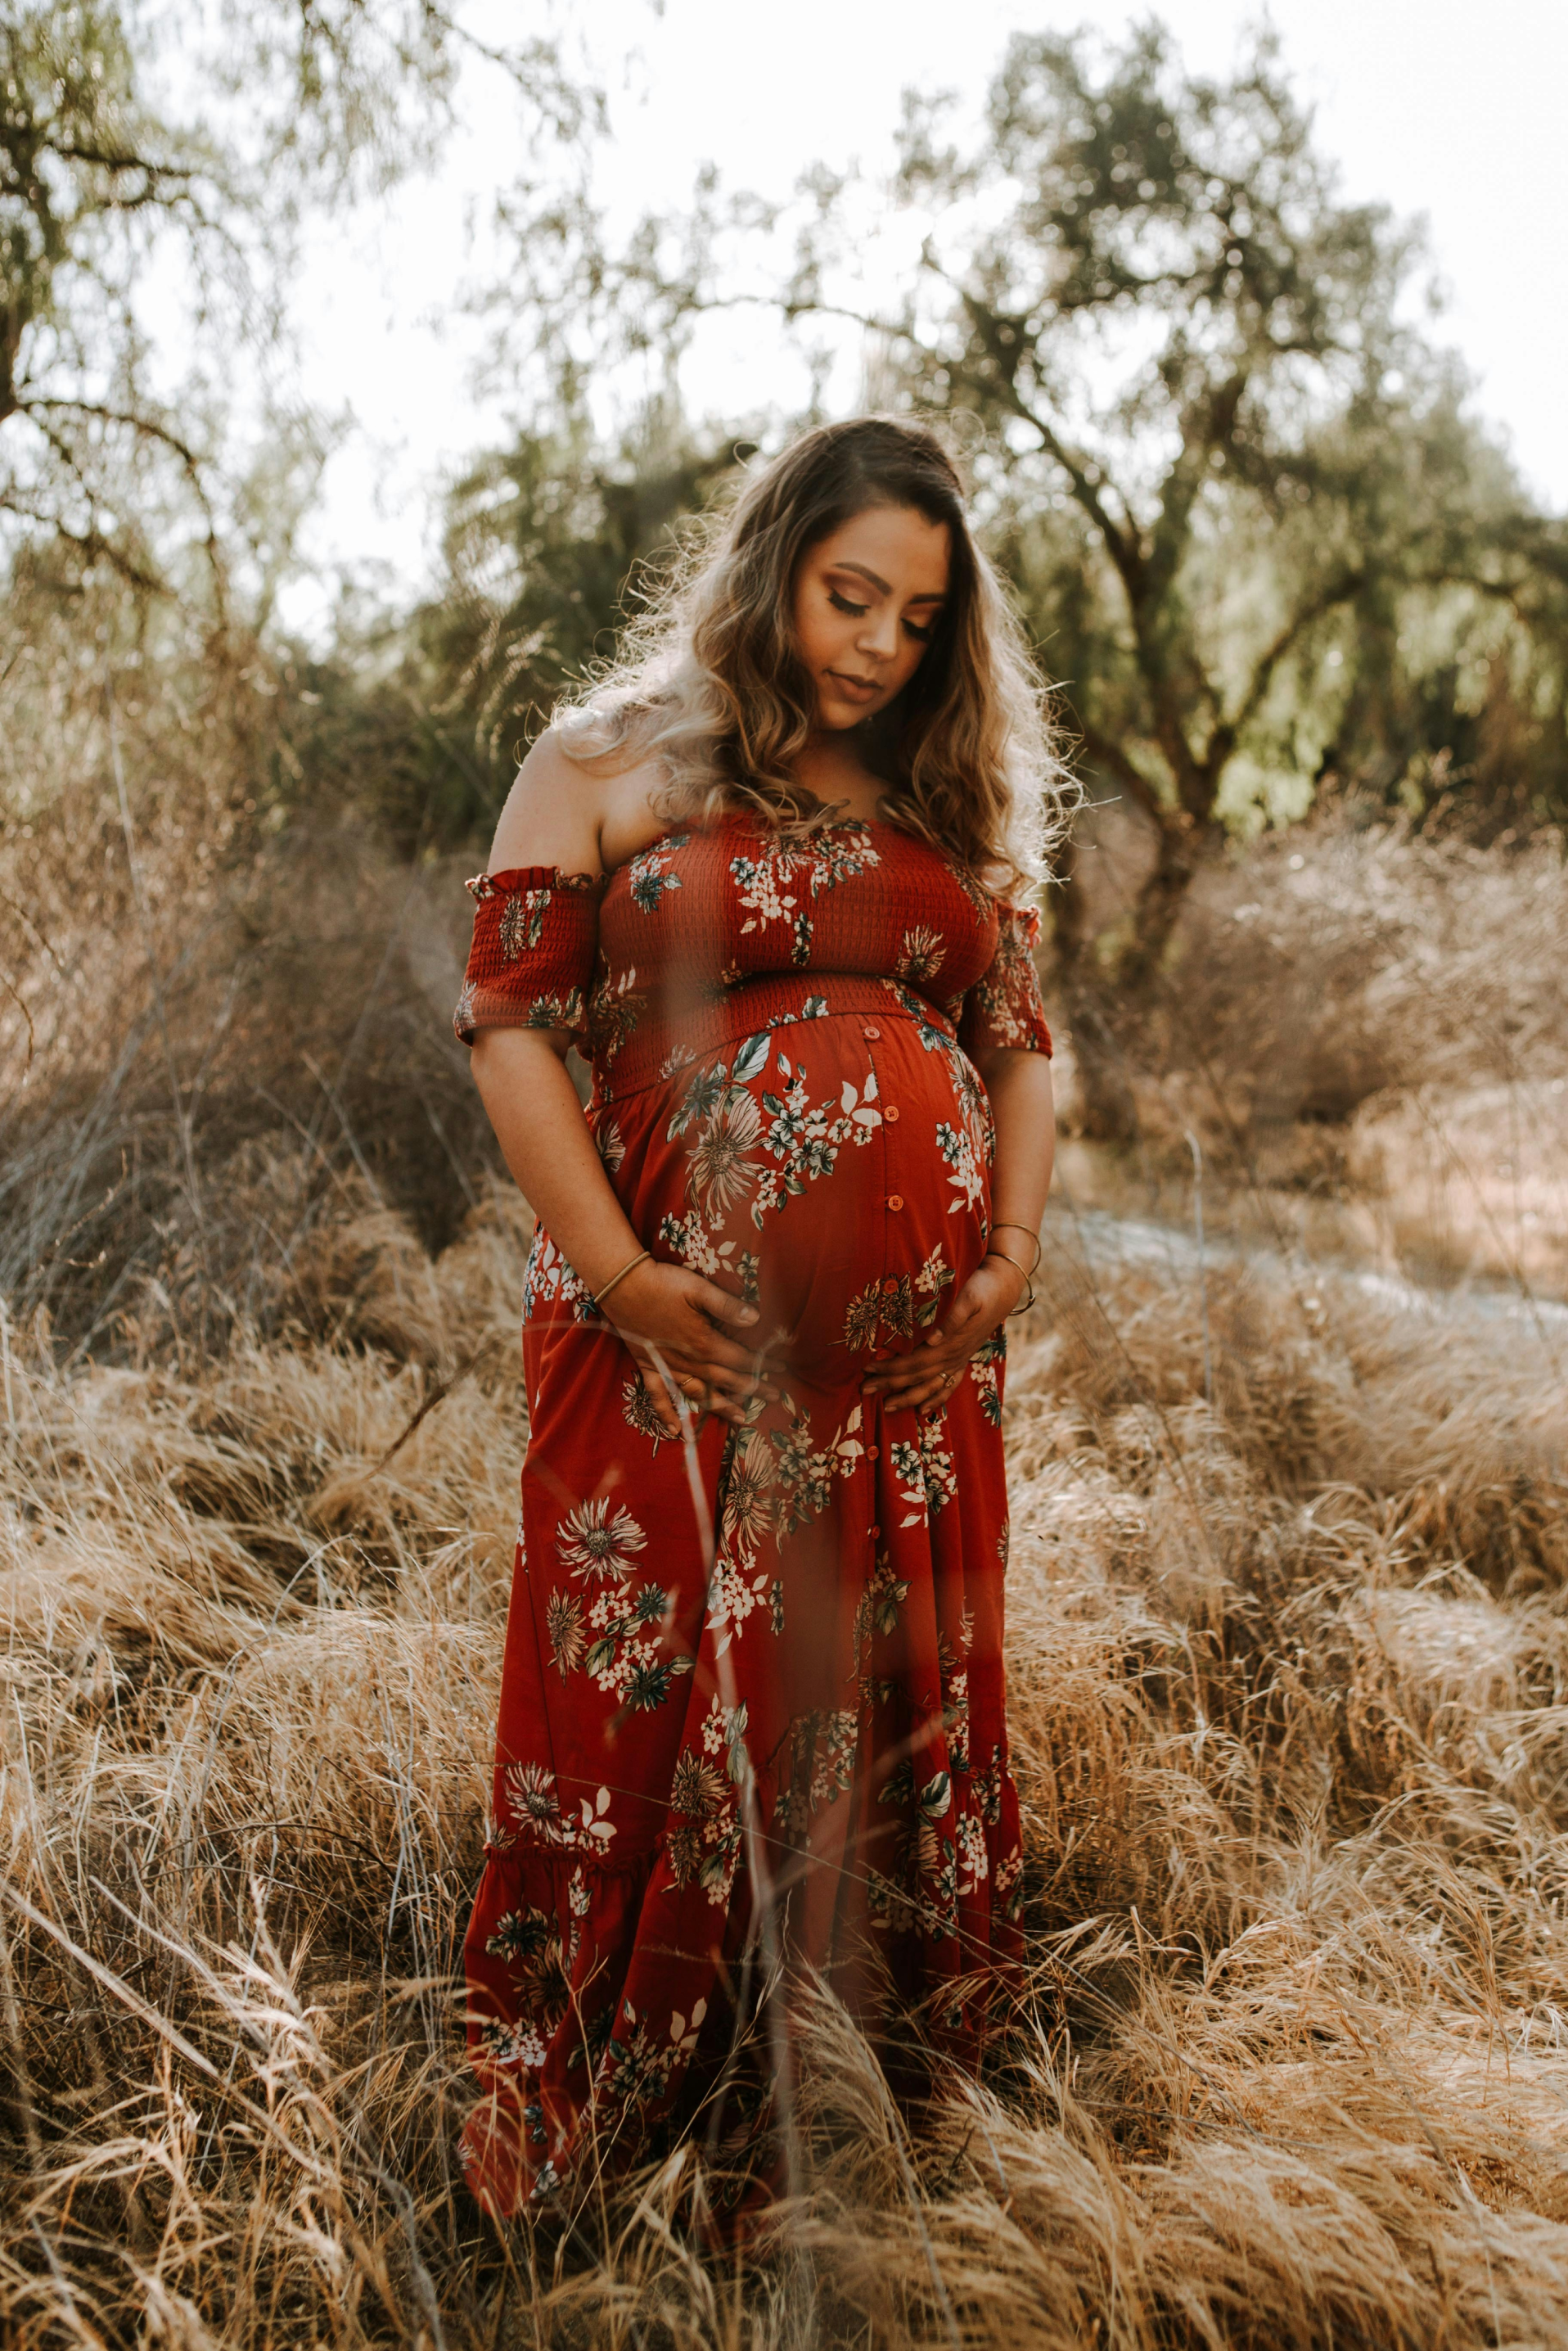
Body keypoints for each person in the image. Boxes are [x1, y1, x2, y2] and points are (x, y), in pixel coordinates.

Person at [453, 415, 1066, 2220]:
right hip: (670, 1363)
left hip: (907, 1387)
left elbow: (1018, 1042)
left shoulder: (947, 801)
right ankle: (594, 2110)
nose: (877, 643)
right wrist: (631, 1279)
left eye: (916, 616)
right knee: (635, 1713)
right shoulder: (606, 759)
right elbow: (509, 1022)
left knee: (883, 1718)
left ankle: (858, 2113)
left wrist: (1009, 1247)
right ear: (770, 564)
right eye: (846, 594)